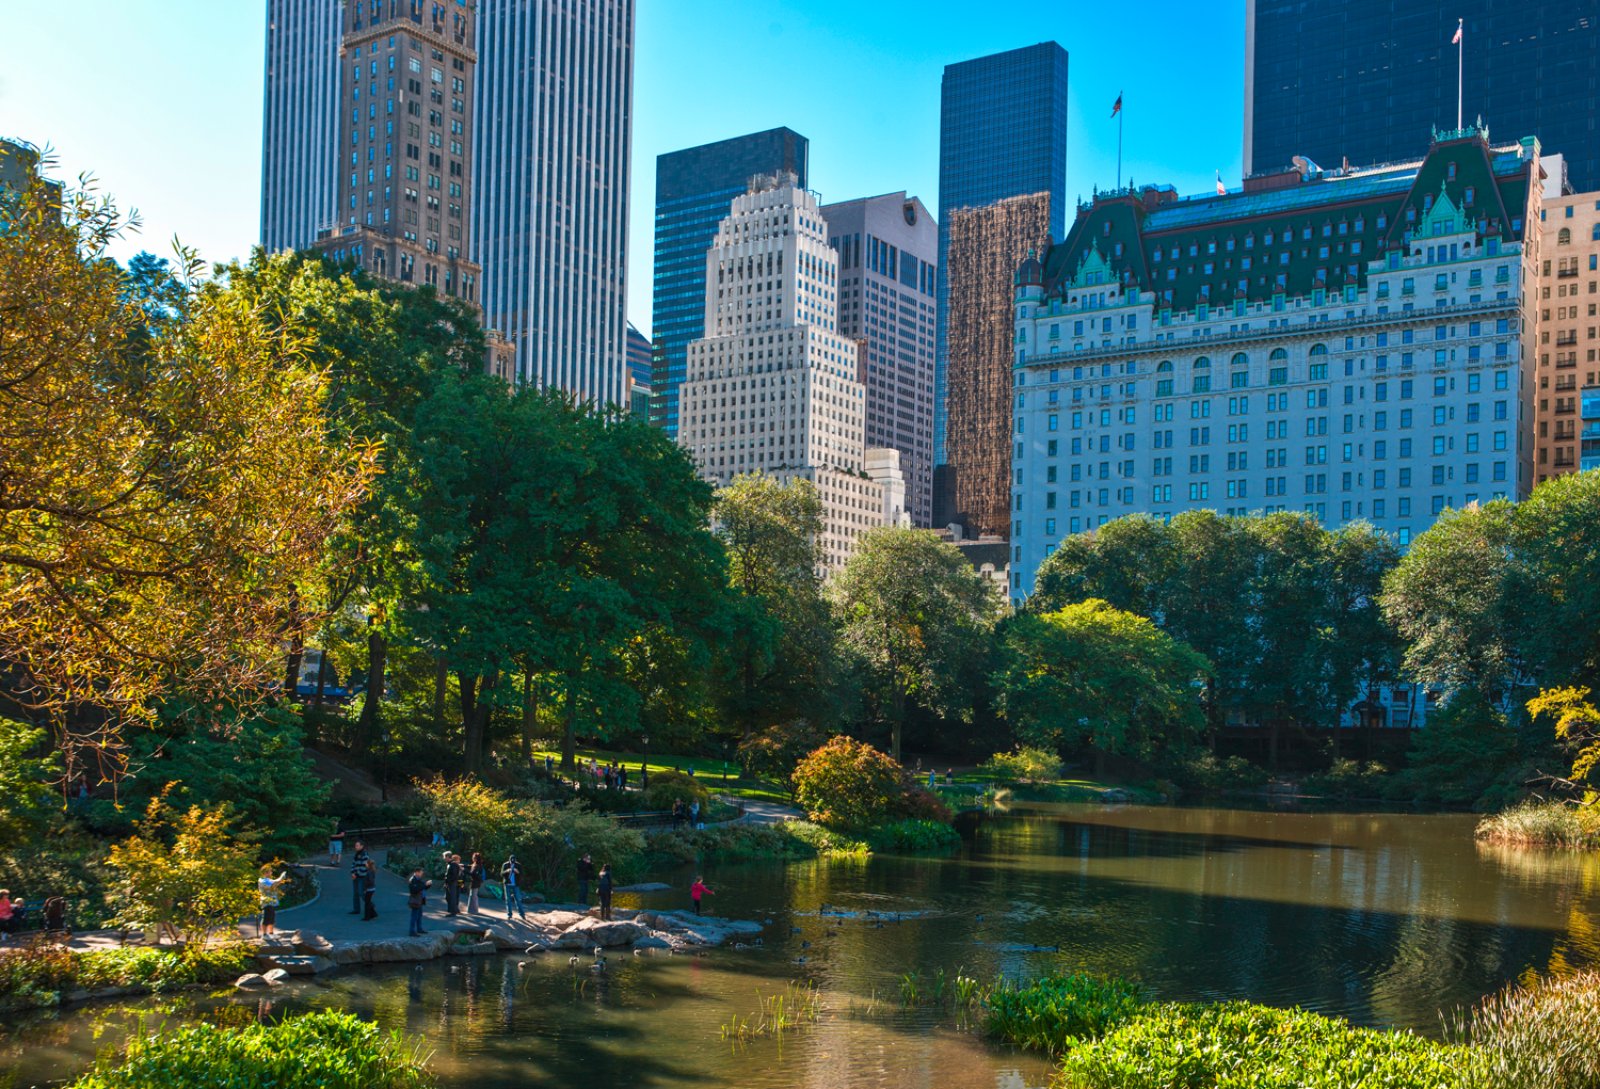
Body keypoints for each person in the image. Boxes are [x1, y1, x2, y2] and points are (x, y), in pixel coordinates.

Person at [257, 864, 290, 937]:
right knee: (266, 918)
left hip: (271, 902)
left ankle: (271, 933)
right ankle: (264, 934)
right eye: (269, 871)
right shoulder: (262, 880)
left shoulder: (269, 880)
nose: (271, 872)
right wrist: (281, 877)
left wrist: (281, 879)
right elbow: (274, 883)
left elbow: (275, 882)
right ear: (265, 873)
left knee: (272, 918)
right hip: (266, 902)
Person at [406, 866, 432, 936]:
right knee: (414, 916)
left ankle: (419, 929)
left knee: (419, 916)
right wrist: (424, 885)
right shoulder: (413, 880)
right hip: (415, 900)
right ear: (417, 872)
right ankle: (412, 931)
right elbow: (414, 890)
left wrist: (428, 885)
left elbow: (422, 888)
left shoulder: (418, 879)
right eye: (421, 873)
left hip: (420, 900)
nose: (422, 874)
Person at [501, 855, 525, 919]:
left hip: (515, 885)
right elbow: (501, 874)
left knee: (518, 899)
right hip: (507, 884)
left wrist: (518, 872)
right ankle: (509, 915)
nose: (512, 863)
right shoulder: (505, 865)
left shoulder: (518, 865)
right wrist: (507, 871)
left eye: (513, 862)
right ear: (509, 860)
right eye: (511, 862)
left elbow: (522, 875)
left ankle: (522, 915)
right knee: (508, 900)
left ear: (515, 861)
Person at [349, 841, 369, 915]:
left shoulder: (365, 855)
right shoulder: (356, 854)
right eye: (355, 845)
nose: (356, 847)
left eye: (357, 845)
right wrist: (352, 872)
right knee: (355, 893)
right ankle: (356, 909)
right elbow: (353, 864)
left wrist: (356, 874)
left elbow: (364, 867)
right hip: (356, 876)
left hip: (362, 877)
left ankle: (370, 904)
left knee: (361, 892)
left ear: (362, 846)